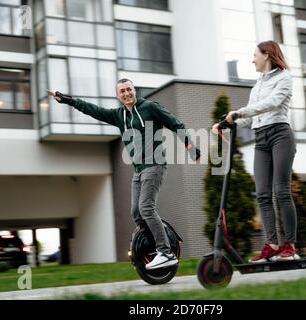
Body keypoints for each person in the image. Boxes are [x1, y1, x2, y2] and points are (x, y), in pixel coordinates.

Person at [48, 79, 200, 270]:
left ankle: (166, 252)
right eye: (122, 91)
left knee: (146, 207)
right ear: (118, 96)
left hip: (154, 165)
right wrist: (68, 100)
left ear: (134, 90)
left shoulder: (150, 107)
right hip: (137, 170)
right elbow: (92, 109)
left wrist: (189, 145)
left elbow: (175, 123)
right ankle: (154, 245)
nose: (126, 93)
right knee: (136, 213)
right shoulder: (119, 115)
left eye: (129, 89)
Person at [213, 40, 299, 262]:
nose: (252, 60)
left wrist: (238, 113)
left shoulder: (284, 78)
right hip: (261, 138)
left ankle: (289, 246)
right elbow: (249, 117)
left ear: (267, 55)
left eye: (255, 55)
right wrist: (225, 123)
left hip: (280, 135)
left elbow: (272, 103)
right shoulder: (257, 85)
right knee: (262, 194)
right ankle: (271, 245)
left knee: (281, 191)